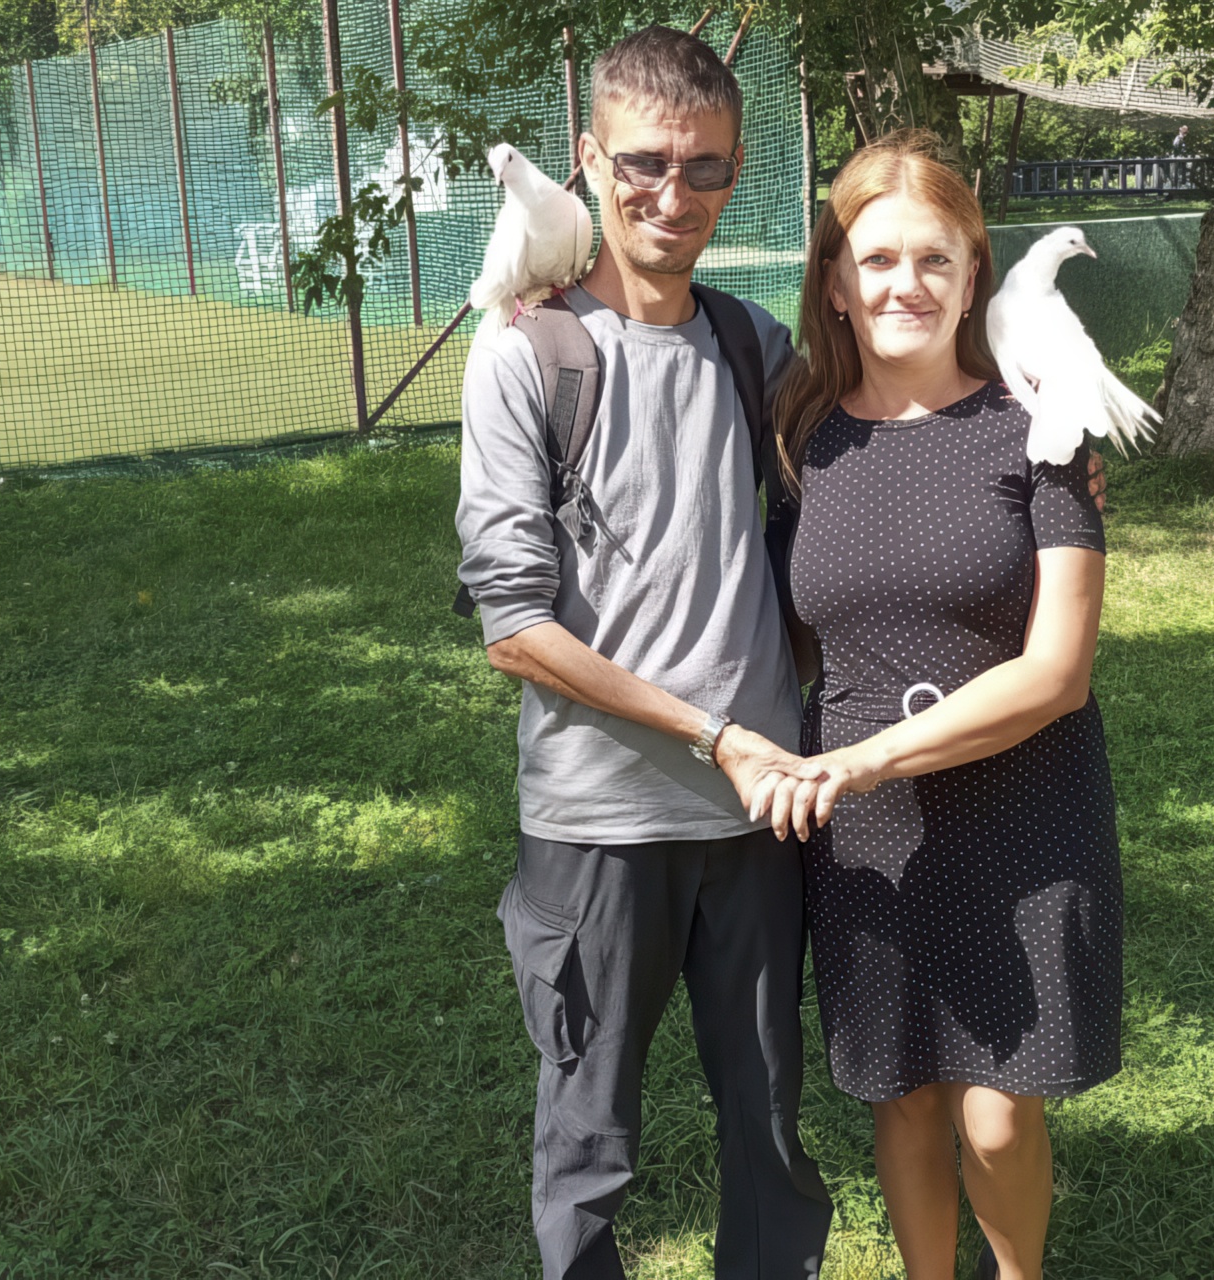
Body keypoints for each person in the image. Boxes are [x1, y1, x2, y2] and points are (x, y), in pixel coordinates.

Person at [454, 26, 834, 1279]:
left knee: (769, 1129)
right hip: (599, 824)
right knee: (587, 1149)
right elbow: (516, 629)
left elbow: (870, 478)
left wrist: (1036, 444)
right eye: (645, 163)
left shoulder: (755, 346)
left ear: (736, 172)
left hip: (755, 819)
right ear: (588, 157)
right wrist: (715, 732)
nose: (675, 195)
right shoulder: (529, 352)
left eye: (706, 167)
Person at [759, 132, 1123, 1280]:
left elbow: (1059, 671)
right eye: (876, 260)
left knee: (999, 1116)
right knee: (906, 1093)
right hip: (866, 832)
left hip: (1022, 803)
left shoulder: (1041, 427)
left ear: (974, 278)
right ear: (835, 282)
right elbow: (789, 627)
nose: (903, 284)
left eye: (934, 259)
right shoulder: (802, 438)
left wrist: (868, 758)